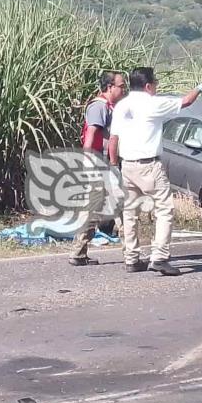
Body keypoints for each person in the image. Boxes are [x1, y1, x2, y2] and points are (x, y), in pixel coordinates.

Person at [108, 67, 202, 274]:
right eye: (155, 83)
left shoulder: (121, 106)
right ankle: (159, 256)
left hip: (127, 165)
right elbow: (186, 101)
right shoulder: (153, 104)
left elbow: (114, 139)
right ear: (148, 86)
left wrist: (114, 163)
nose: (157, 87)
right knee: (164, 209)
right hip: (149, 165)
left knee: (130, 213)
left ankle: (131, 258)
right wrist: (198, 88)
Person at [68, 71, 127, 267]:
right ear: (110, 87)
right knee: (115, 208)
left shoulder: (108, 107)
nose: (123, 89)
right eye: (121, 86)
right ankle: (130, 252)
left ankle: (79, 253)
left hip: (103, 164)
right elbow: (92, 136)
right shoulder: (99, 107)